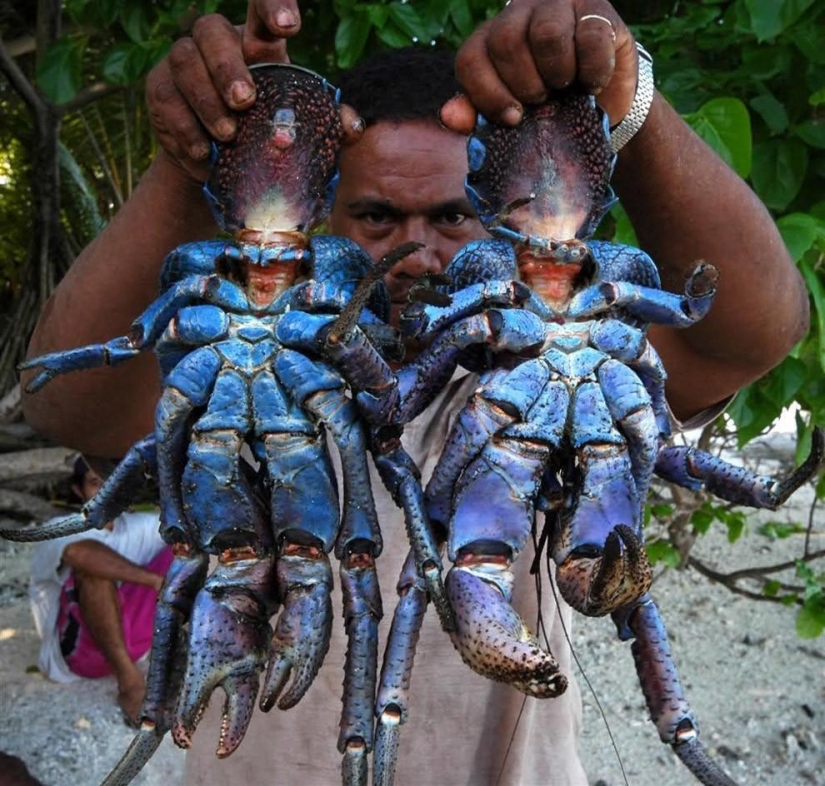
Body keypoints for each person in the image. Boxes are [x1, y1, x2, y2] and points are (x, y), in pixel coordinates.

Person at [18, 1, 809, 783]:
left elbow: (749, 329)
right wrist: (199, 158)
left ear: (502, 225)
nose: (415, 252)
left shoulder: (523, 368)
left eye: (453, 217)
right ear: (318, 216)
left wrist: (623, 106)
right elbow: (67, 407)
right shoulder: (253, 358)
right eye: (374, 216)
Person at [29, 457, 172, 726]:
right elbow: (80, 553)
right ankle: (130, 685)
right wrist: (153, 580)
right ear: (77, 490)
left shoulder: (139, 525)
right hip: (79, 658)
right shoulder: (59, 527)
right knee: (93, 574)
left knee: (183, 544)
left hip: (138, 646)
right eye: (96, 483)